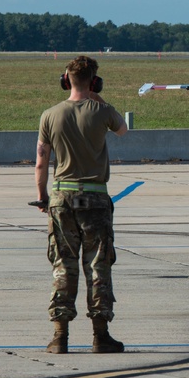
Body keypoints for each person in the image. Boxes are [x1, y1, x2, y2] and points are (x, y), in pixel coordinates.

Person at [34, 55, 129, 352]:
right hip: (96, 199)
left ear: (66, 80)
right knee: (98, 265)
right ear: (94, 81)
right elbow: (123, 130)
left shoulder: (49, 115)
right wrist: (95, 96)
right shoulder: (104, 112)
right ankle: (100, 335)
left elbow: (41, 162)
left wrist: (42, 197)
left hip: (62, 198)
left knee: (63, 265)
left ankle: (60, 335)